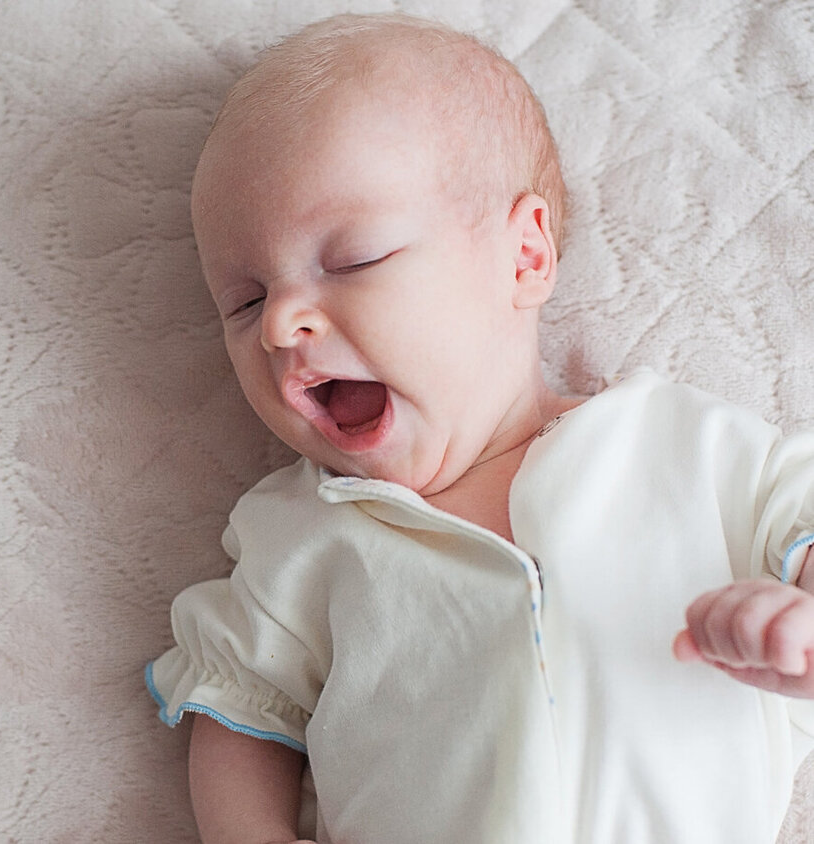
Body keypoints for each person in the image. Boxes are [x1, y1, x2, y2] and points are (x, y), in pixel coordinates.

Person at [145, 12, 814, 844]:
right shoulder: (303, 533)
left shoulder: (682, 448)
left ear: (523, 257)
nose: (282, 324)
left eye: (353, 260)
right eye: (243, 302)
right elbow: (240, 715)